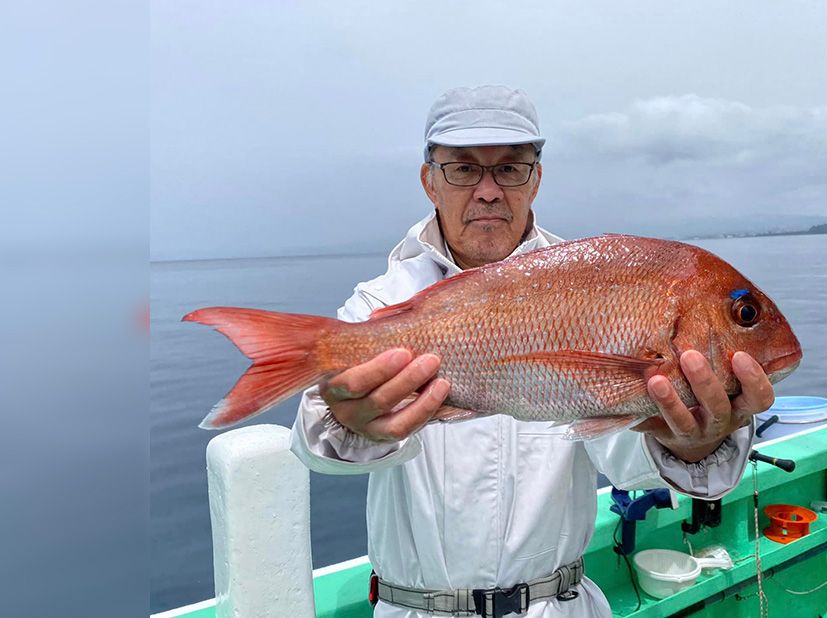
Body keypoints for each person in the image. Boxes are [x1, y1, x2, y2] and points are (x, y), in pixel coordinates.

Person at [290, 85, 776, 617]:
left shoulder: (589, 281)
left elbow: (629, 459)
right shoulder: (383, 302)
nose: (489, 190)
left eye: (510, 168)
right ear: (429, 180)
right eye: (463, 168)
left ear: (536, 178)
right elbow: (315, 445)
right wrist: (348, 417)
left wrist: (696, 442)